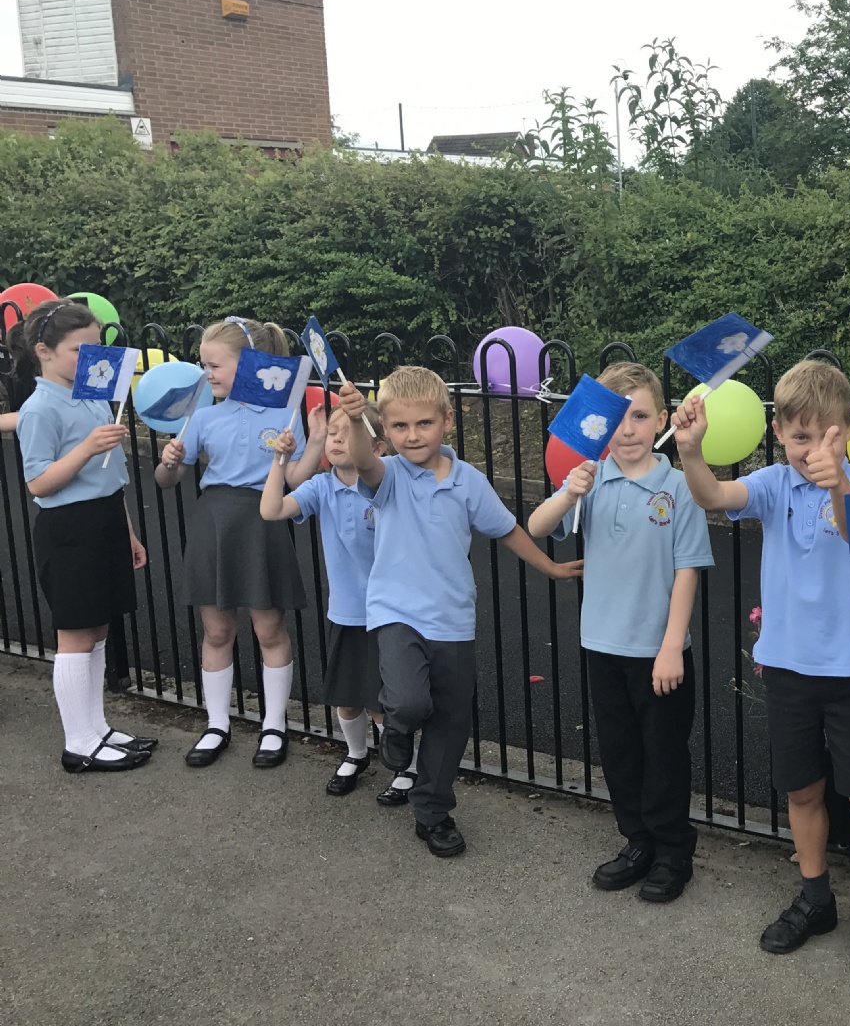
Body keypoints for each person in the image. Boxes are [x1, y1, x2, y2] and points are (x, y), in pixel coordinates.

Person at [673, 359, 850, 989]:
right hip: (788, 667)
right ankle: (816, 898)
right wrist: (690, 451)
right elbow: (714, 497)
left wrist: (837, 482)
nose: (812, 449)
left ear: (848, 429)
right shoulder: (773, 483)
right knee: (802, 791)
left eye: (827, 435)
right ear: (779, 433)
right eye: (800, 436)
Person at [339, 368, 583, 857]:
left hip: (452, 619)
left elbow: (508, 529)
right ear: (385, 428)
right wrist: (353, 421)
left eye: (424, 423)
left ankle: (432, 813)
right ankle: (397, 726)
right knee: (409, 701)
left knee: (450, 723)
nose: (413, 435)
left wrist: (552, 568)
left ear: (447, 421)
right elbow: (363, 462)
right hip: (396, 612)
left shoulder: (468, 480)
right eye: (400, 426)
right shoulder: (389, 474)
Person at [526, 362, 712, 902]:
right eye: (617, 419)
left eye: (640, 416)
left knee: (664, 755)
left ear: (662, 420)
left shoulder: (679, 487)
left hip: (658, 652)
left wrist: (672, 646)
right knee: (620, 753)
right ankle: (638, 841)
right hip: (602, 646)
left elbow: (687, 571)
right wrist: (569, 492)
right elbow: (537, 527)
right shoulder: (590, 478)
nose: (628, 430)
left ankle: (673, 851)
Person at [154, 317, 321, 769]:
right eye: (203, 364)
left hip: (262, 522)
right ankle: (216, 724)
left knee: (269, 629)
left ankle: (274, 725)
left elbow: (294, 479)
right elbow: (167, 480)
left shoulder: (284, 415)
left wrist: (315, 441)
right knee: (216, 631)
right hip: (213, 523)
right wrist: (168, 461)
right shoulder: (202, 415)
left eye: (214, 365)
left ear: (248, 364)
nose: (205, 373)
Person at [8, 299, 155, 772]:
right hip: (69, 528)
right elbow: (38, 483)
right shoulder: (39, 408)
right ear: (44, 351)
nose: (91, 359)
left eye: (95, 349)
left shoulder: (91, 395)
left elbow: (110, 477)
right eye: (79, 350)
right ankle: (78, 745)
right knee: (75, 634)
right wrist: (88, 448)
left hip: (105, 518)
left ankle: (97, 729)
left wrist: (128, 531)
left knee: (98, 628)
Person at [261, 397, 393, 797]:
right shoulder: (321, 487)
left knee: (382, 701)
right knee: (347, 696)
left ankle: (403, 764)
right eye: (332, 433)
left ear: (376, 448)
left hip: (390, 611)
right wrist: (281, 459)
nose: (336, 440)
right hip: (347, 612)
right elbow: (271, 510)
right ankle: (356, 754)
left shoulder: (386, 483)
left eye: (346, 434)